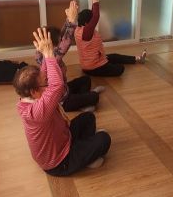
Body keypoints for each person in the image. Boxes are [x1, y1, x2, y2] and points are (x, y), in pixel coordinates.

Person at [14, 28, 112, 175]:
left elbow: (45, 73)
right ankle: (87, 157)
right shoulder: (36, 112)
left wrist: (45, 52)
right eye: (45, 83)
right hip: (59, 162)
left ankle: (84, 149)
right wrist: (48, 55)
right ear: (34, 91)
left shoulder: (30, 98)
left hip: (64, 138)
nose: (48, 82)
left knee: (88, 117)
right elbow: (57, 86)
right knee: (104, 139)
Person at [35, 0, 105, 112]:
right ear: (53, 46)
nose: (61, 40)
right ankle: (86, 101)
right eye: (59, 41)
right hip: (62, 101)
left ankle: (83, 101)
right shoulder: (50, 58)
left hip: (65, 89)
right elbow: (66, 43)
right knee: (95, 97)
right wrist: (72, 22)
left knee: (86, 80)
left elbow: (63, 35)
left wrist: (69, 19)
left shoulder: (45, 49)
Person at [75, 0, 146, 77]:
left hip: (95, 60)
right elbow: (95, 16)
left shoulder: (79, 28)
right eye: (91, 21)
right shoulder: (86, 33)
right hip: (93, 67)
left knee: (114, 56)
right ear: (86, 23)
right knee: (120, 69)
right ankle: (109, 66)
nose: (93, 23)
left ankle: (138, 58)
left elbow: (93, 16)